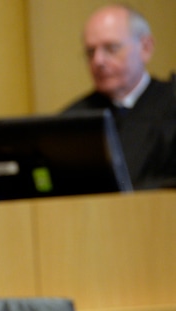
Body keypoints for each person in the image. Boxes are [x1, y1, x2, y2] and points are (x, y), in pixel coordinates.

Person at [63, 3, 176, 189]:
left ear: (145, 48)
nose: (98, 61)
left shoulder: (171, 103)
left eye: (111, 48)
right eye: (91, 52)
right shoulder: (75, 120)